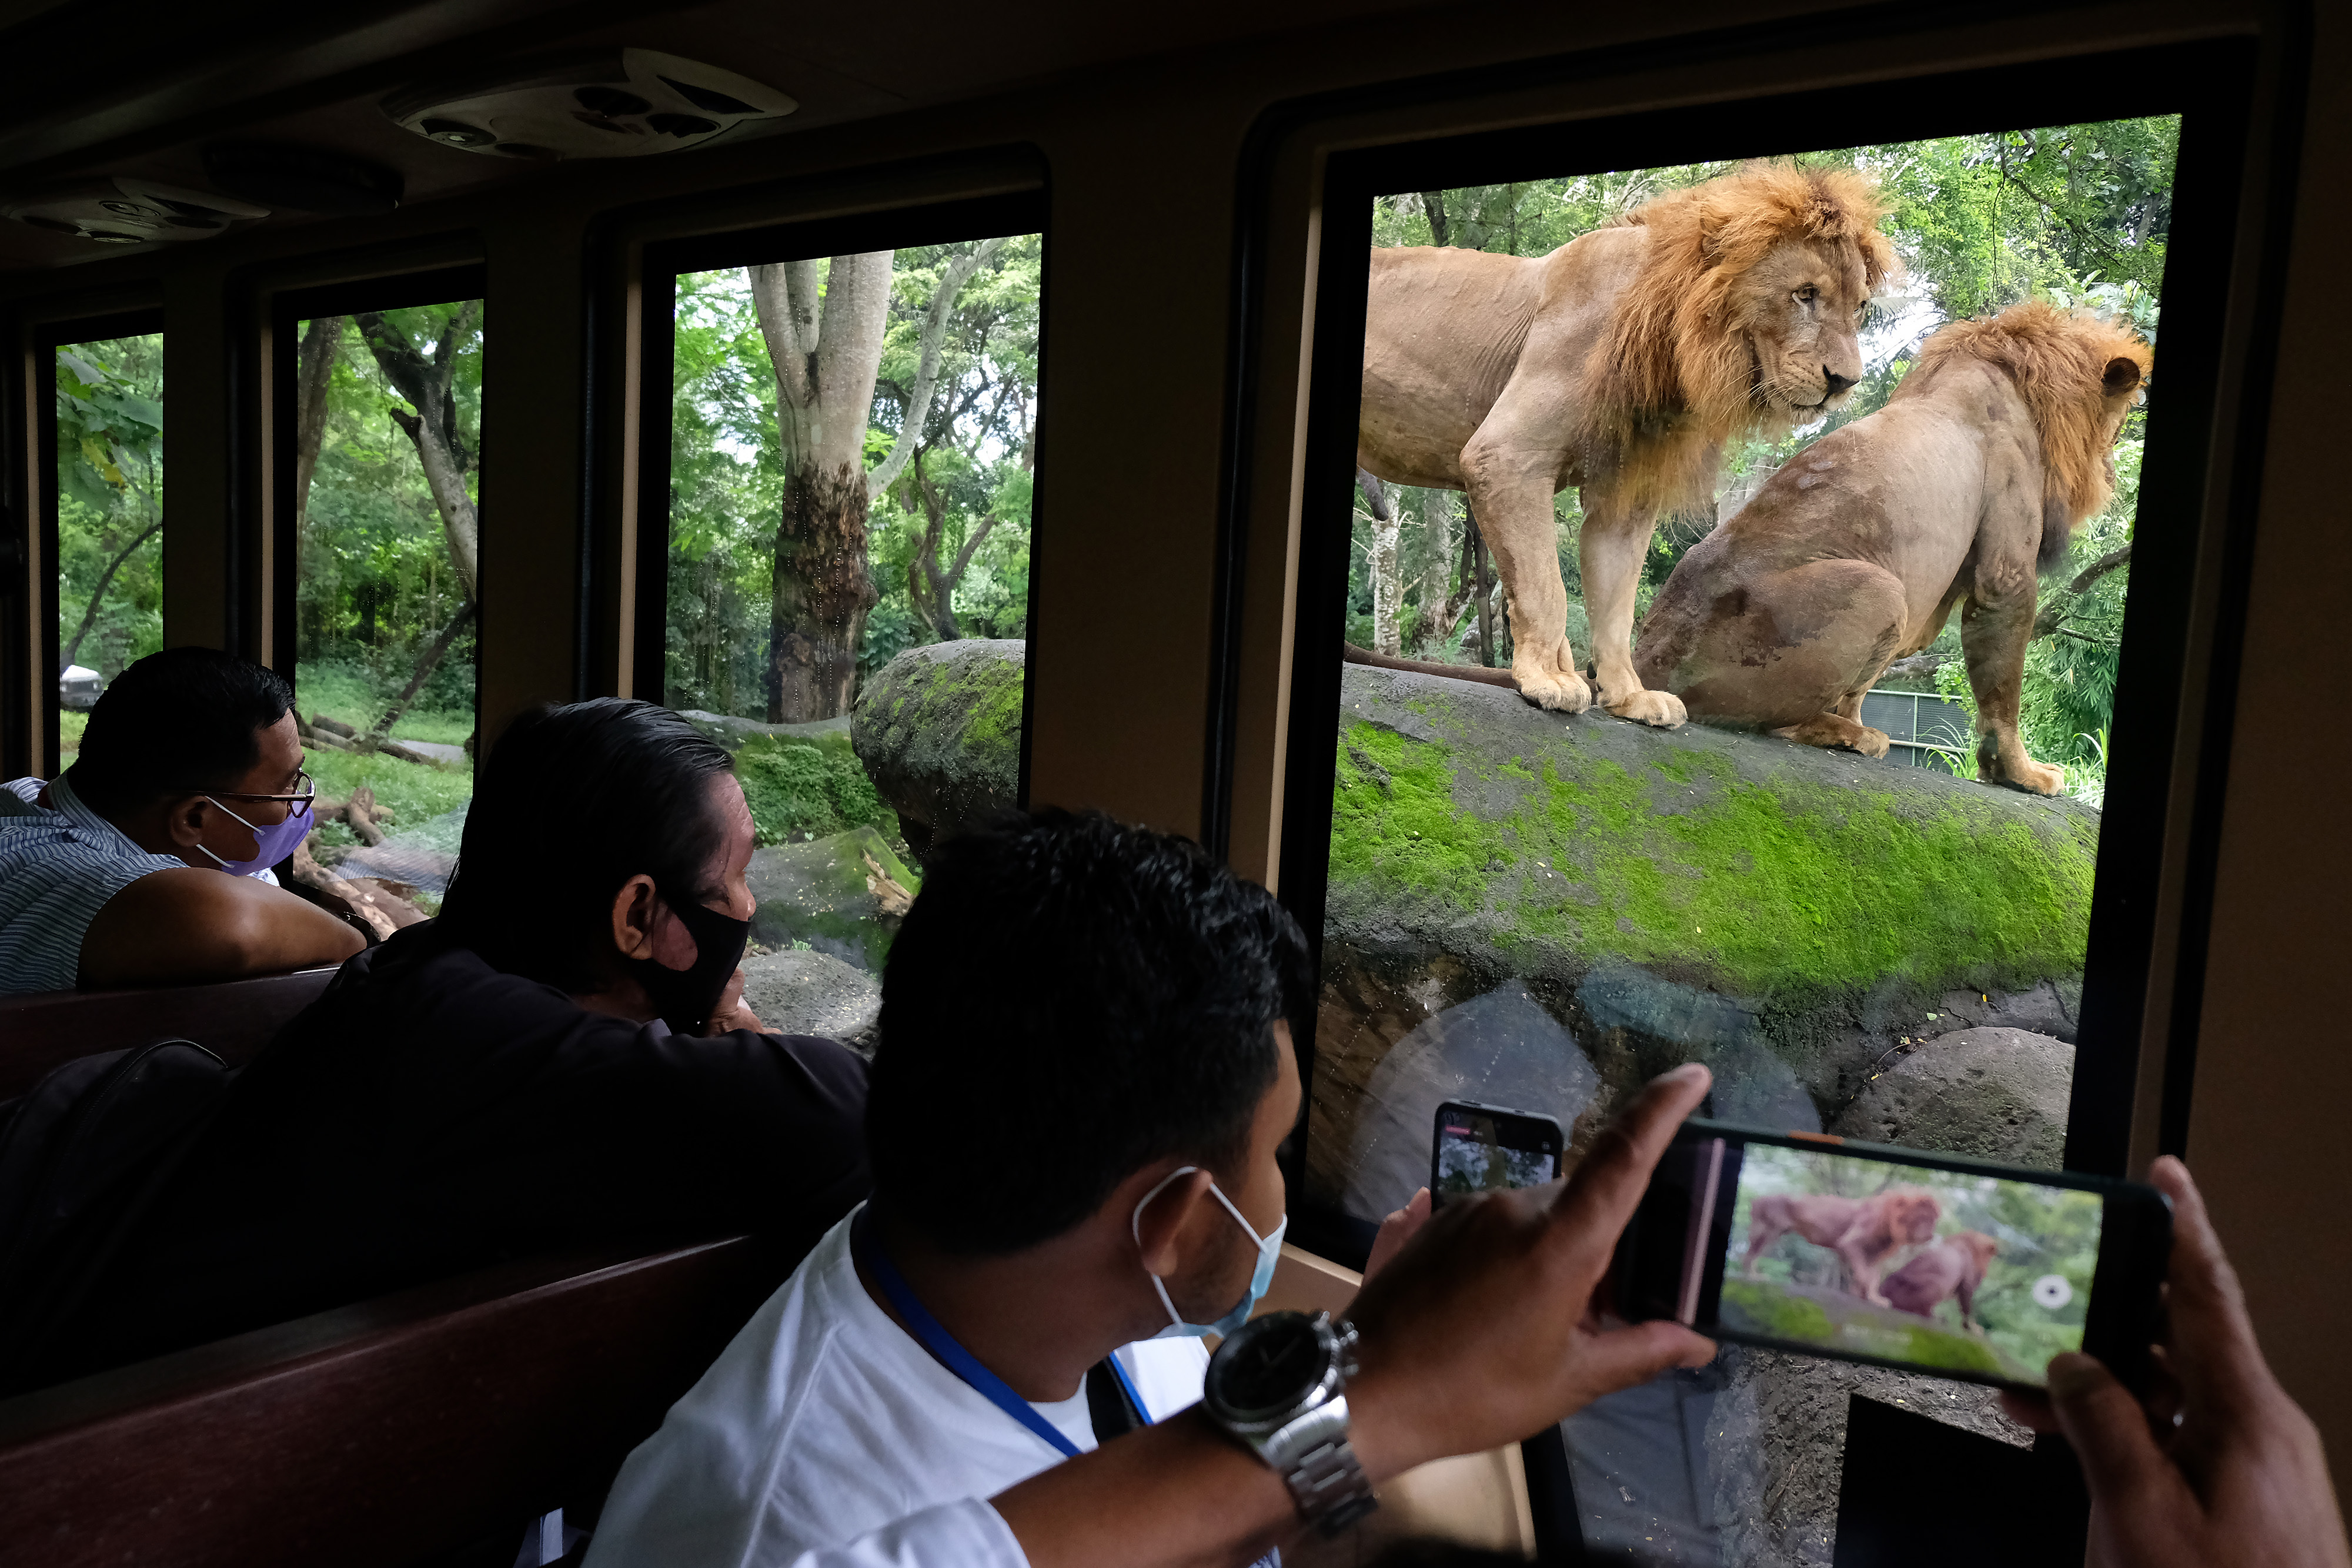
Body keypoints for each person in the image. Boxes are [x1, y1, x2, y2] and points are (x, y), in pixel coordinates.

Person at [22, 698, 868, 1391]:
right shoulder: (466, 1036)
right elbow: (839, 1107)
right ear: (636, 914)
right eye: (734, 877)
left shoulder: (430, 976)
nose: (747, 907)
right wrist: (732, 1021)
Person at [584, 809, 1321, 1566]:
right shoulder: (795, 1529)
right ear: (1174, 1222)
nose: (1276, 1192)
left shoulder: (1077, 1309)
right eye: (1275, 1150)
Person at [0, 646, 365, 994]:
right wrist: (357, 937)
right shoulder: (36, 859)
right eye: (287, 786)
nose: (296, 802)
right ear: (193, 818)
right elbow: (220, 920)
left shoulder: (62, 802)